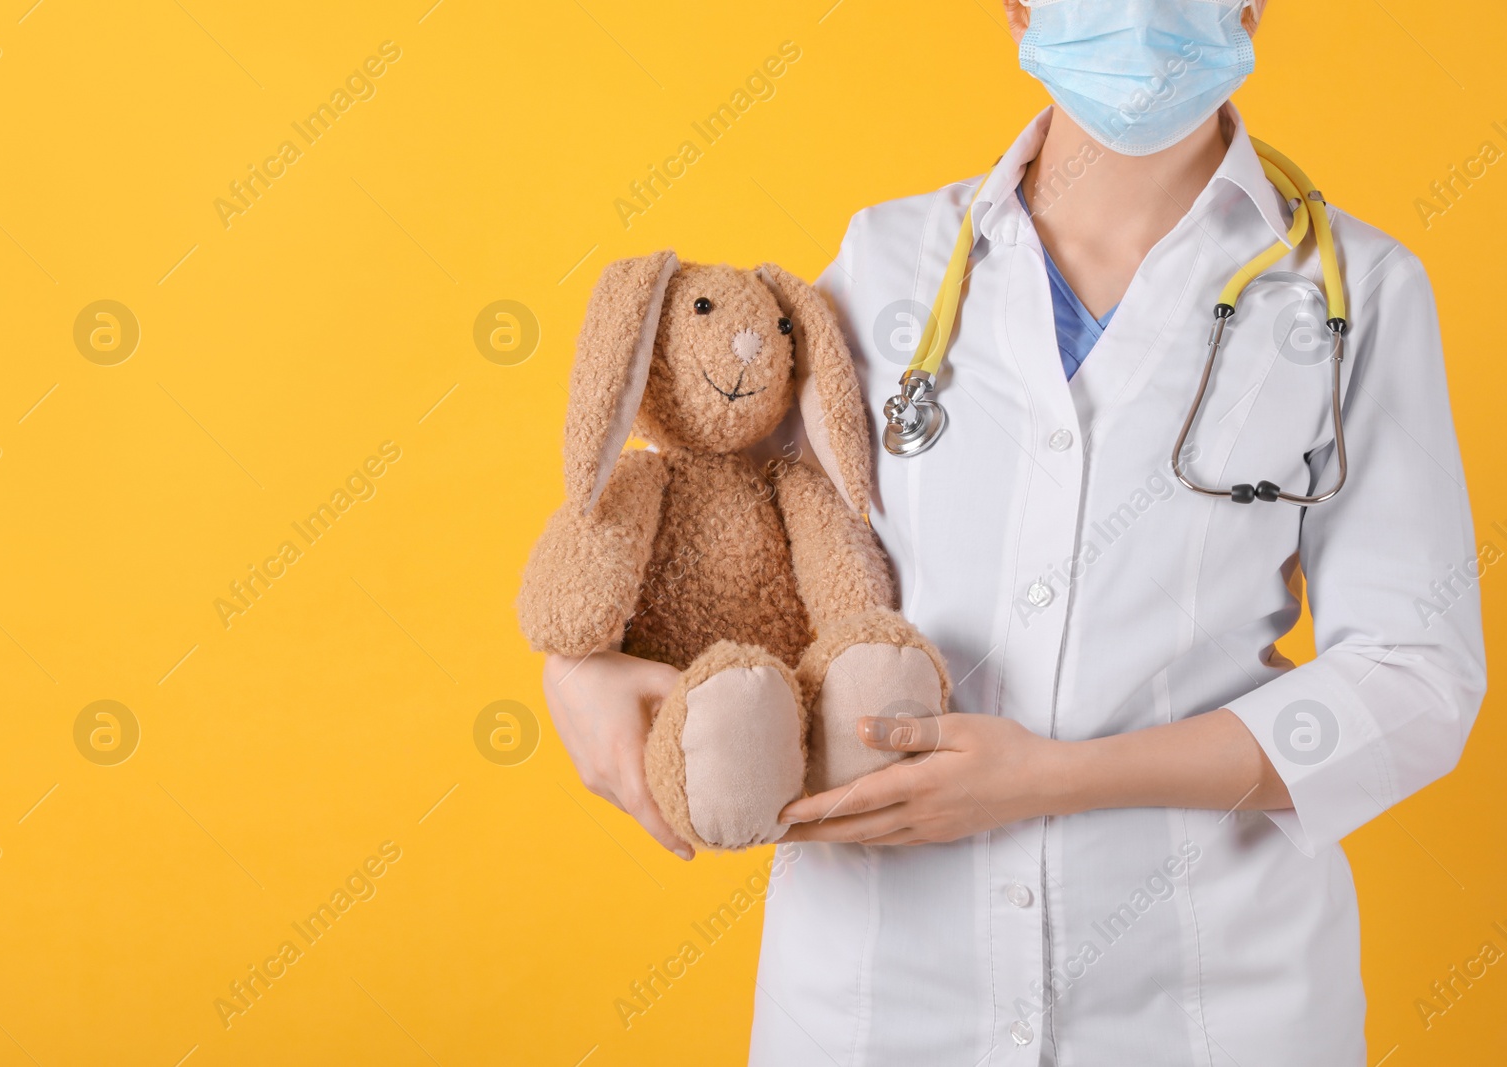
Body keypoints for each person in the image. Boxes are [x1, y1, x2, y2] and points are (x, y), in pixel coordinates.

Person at [541, 1, 1487, 1062]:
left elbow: (1413, 677)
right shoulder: (891, 259)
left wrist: (1054, 777)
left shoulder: (1353, 292)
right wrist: (578, 667)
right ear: (1018, 7)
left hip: (1209, 1002)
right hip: (881, 993)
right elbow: (734, 534)